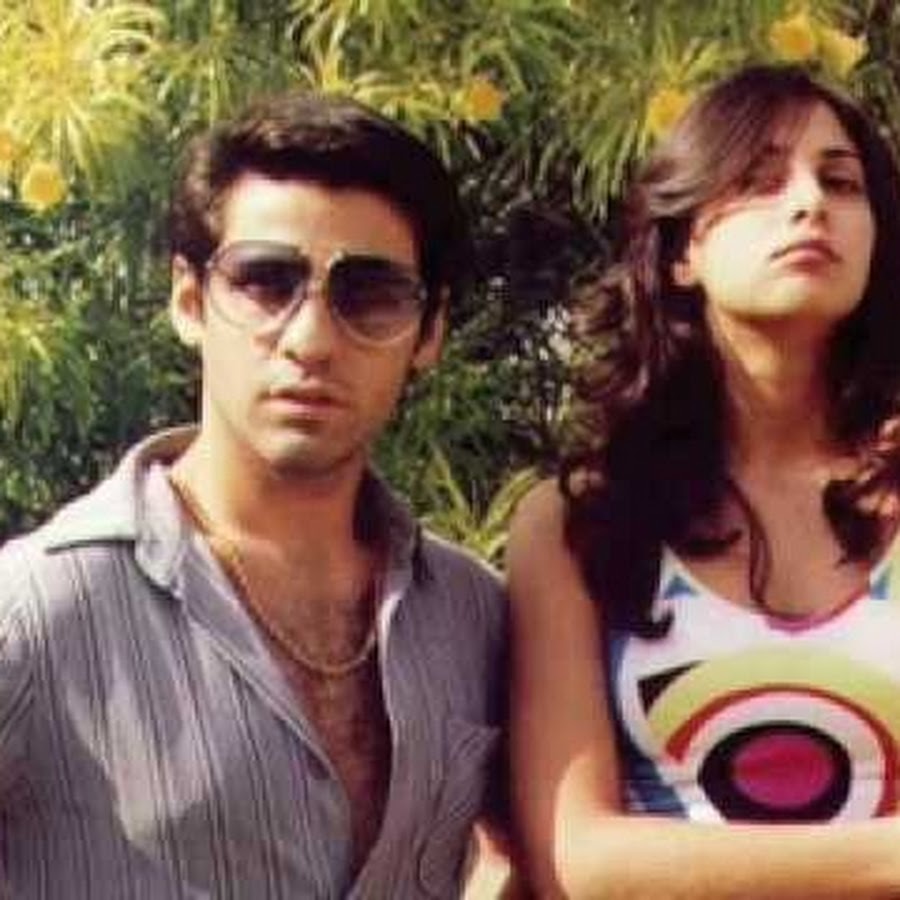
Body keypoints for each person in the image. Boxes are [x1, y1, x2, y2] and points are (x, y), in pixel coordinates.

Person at [0, 91, 507, 898]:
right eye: (267, 282)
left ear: (431, 331)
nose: (311, 340)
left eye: (370, 294)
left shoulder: (474, 615)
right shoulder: (36, 608)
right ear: (189, 300)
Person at [507, 64, 900, 898]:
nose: (809, 203)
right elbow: (580, 864)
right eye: (760, 180)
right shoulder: (581, 524)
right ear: (683, 250)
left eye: (840, 182)